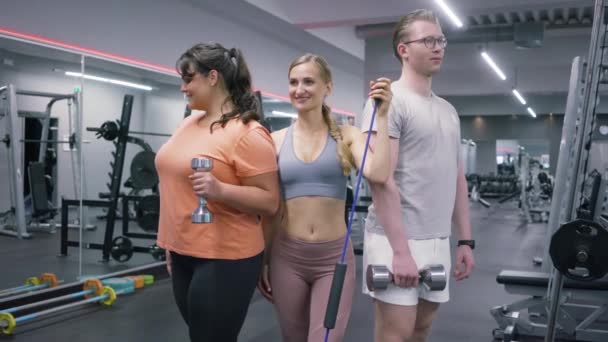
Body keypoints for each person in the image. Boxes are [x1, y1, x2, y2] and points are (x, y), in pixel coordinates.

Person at [257, 53, 392, 342]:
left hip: (334, 259)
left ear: (327, 87)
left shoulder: (348, 135)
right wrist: (264, 261)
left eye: (308, 81)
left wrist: (382, 116)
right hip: (286, 257)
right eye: (293, 82)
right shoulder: (275, 140)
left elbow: (378, 174)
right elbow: (270, 211)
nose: (299, 89)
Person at [360, 9, 475, 342]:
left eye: (440, 40)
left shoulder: (448, 111)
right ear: (403, 49)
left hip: (437, 239)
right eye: (428, 40)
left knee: (421, 330)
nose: (438, 47)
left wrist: (465, 240)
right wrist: (400, 252)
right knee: (395, 335)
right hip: (396, 238)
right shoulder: (388, 103)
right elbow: (382, 180)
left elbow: (457, 179)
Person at [154, 42, 280, 342]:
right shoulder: (188, 123)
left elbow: (271, 201)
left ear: (213, 77)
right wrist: (173, 245)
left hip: (225, 256)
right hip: (183, 250)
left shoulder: (247, 132)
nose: (183, 88)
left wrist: (219, 189)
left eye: (188, 79)